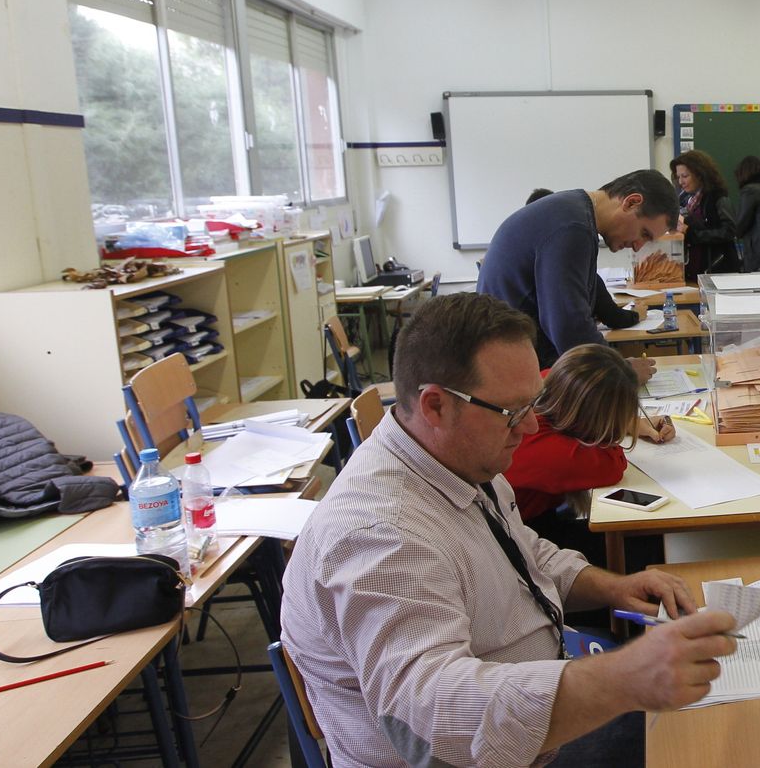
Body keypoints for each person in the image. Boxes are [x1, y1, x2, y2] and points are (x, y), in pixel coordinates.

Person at [280, 293, 736, 765]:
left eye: (531, 404)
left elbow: (525, 554)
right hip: (488, 753)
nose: (532, 425)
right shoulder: (380, 535)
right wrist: (621, 679)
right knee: (706, 742)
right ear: (435, 406)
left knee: (711, 722)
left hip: (531, 702)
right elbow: (430, 716)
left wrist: (615, 588)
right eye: (512, 411)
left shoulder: (458, 458)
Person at [477, 170, 677, 380]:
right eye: (644, 233)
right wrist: (621, 372)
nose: (638, 247)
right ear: (631, 202)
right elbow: (569, 327)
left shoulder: (572, 212)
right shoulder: (572, 228)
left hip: (515, 360)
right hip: (513, 372)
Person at [505, 343, 674, 560]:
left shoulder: (552, 388)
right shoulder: (540, 446)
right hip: (523, 541)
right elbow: (611, 465)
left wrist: (632, 422)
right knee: (655, 546)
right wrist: (623, 424)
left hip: (532, 521)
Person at [526, 186, 641, 331]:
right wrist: (637, 315)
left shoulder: (525, 256)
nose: (637, 246)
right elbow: (613, 317)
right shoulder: (570, 244)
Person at [670, 151, 742, 279]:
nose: (680, 182)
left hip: (717, 270)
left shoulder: (718, 198)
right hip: (693, 270)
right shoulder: (684, 200)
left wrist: (690, 232)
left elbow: (729, 232)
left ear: (700, 174)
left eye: (685, 176)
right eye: (678, 177)